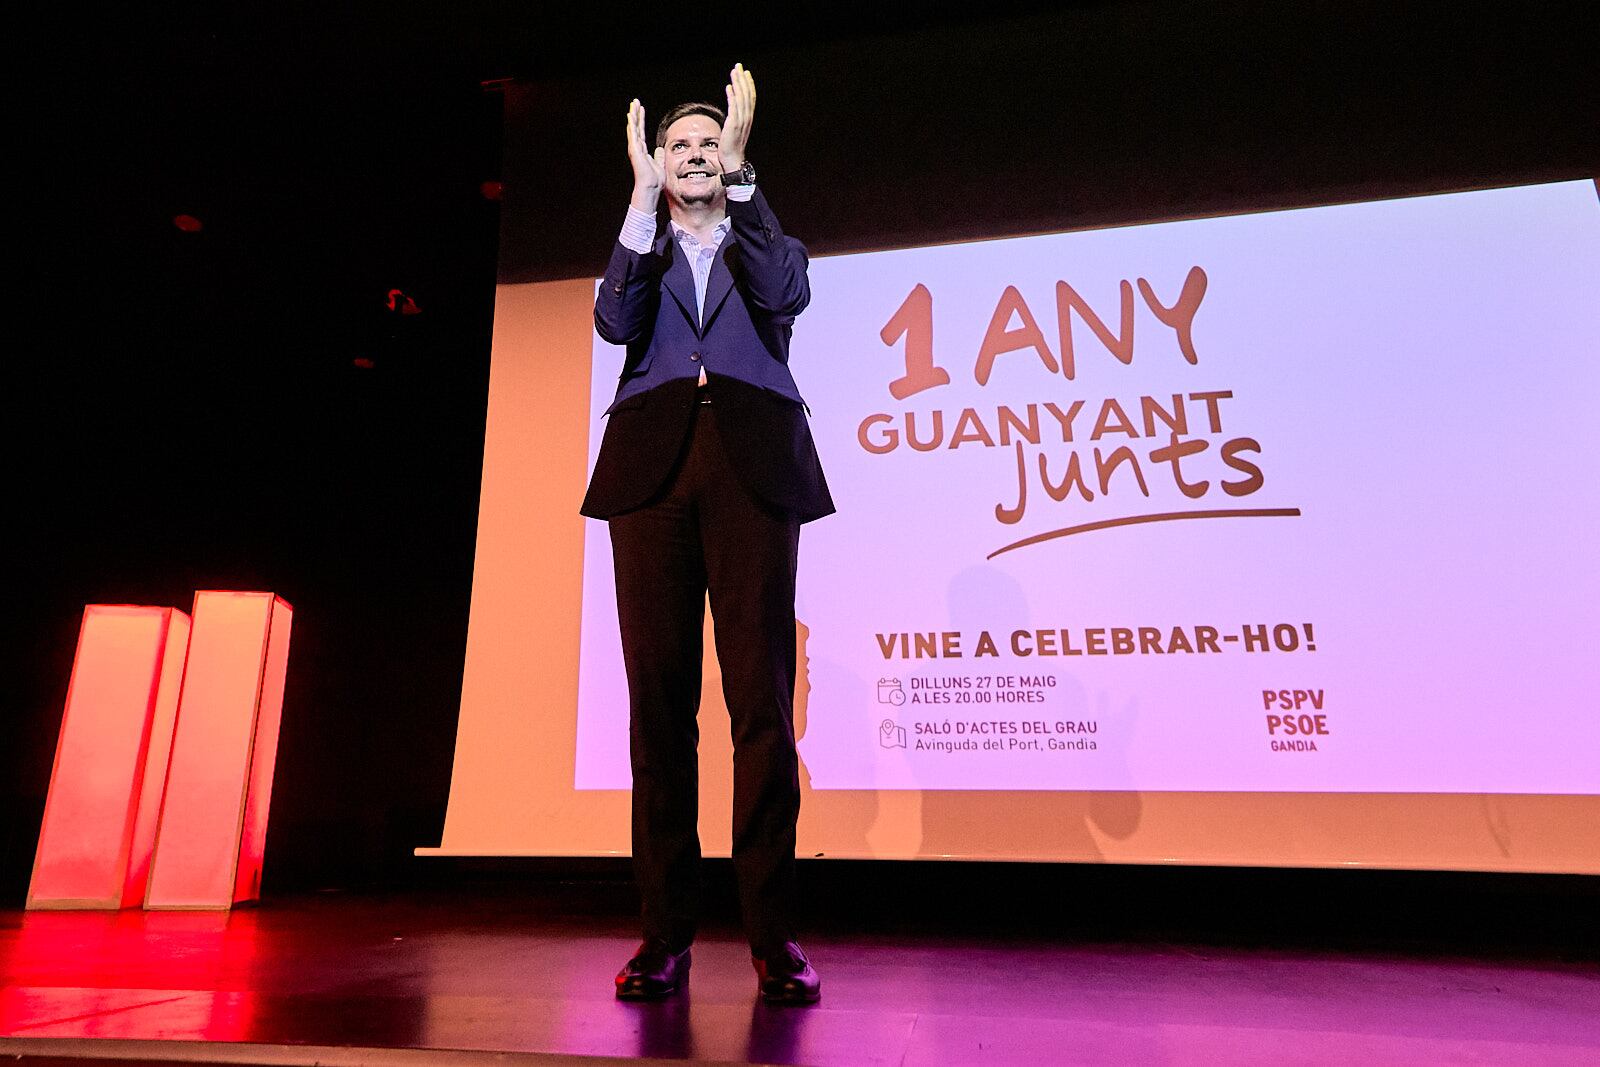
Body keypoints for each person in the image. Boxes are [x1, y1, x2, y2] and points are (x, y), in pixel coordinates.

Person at [580, 63, 833, 1005]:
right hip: (651, 470)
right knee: (660, 712)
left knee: (760, 709)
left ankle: (773, 937)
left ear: (728, 156)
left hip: (750, 465)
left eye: (707, 143)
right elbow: (614, 322)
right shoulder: (641, 248)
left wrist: (744, 182)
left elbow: (784, 296)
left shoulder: (766, 242)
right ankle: (663, 937)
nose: (693, 155)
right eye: (678, 145)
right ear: (657, 161)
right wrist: (640, 205)